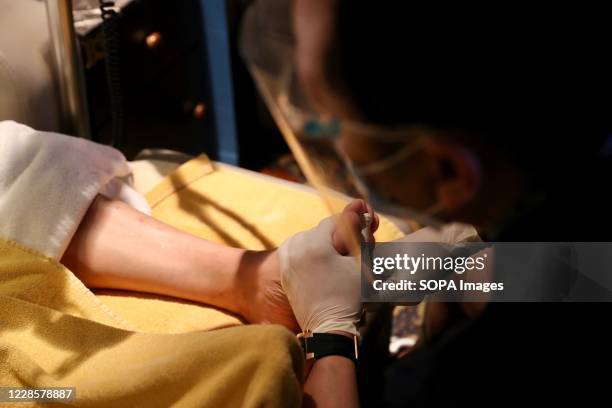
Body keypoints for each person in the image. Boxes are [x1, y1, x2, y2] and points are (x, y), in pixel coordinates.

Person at [240, 0, 612, 406]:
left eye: (334, 120)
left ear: (450, 173)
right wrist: (451, 266)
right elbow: (584, 270)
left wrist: (330, 337)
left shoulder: (484, 373)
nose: (326, 133)